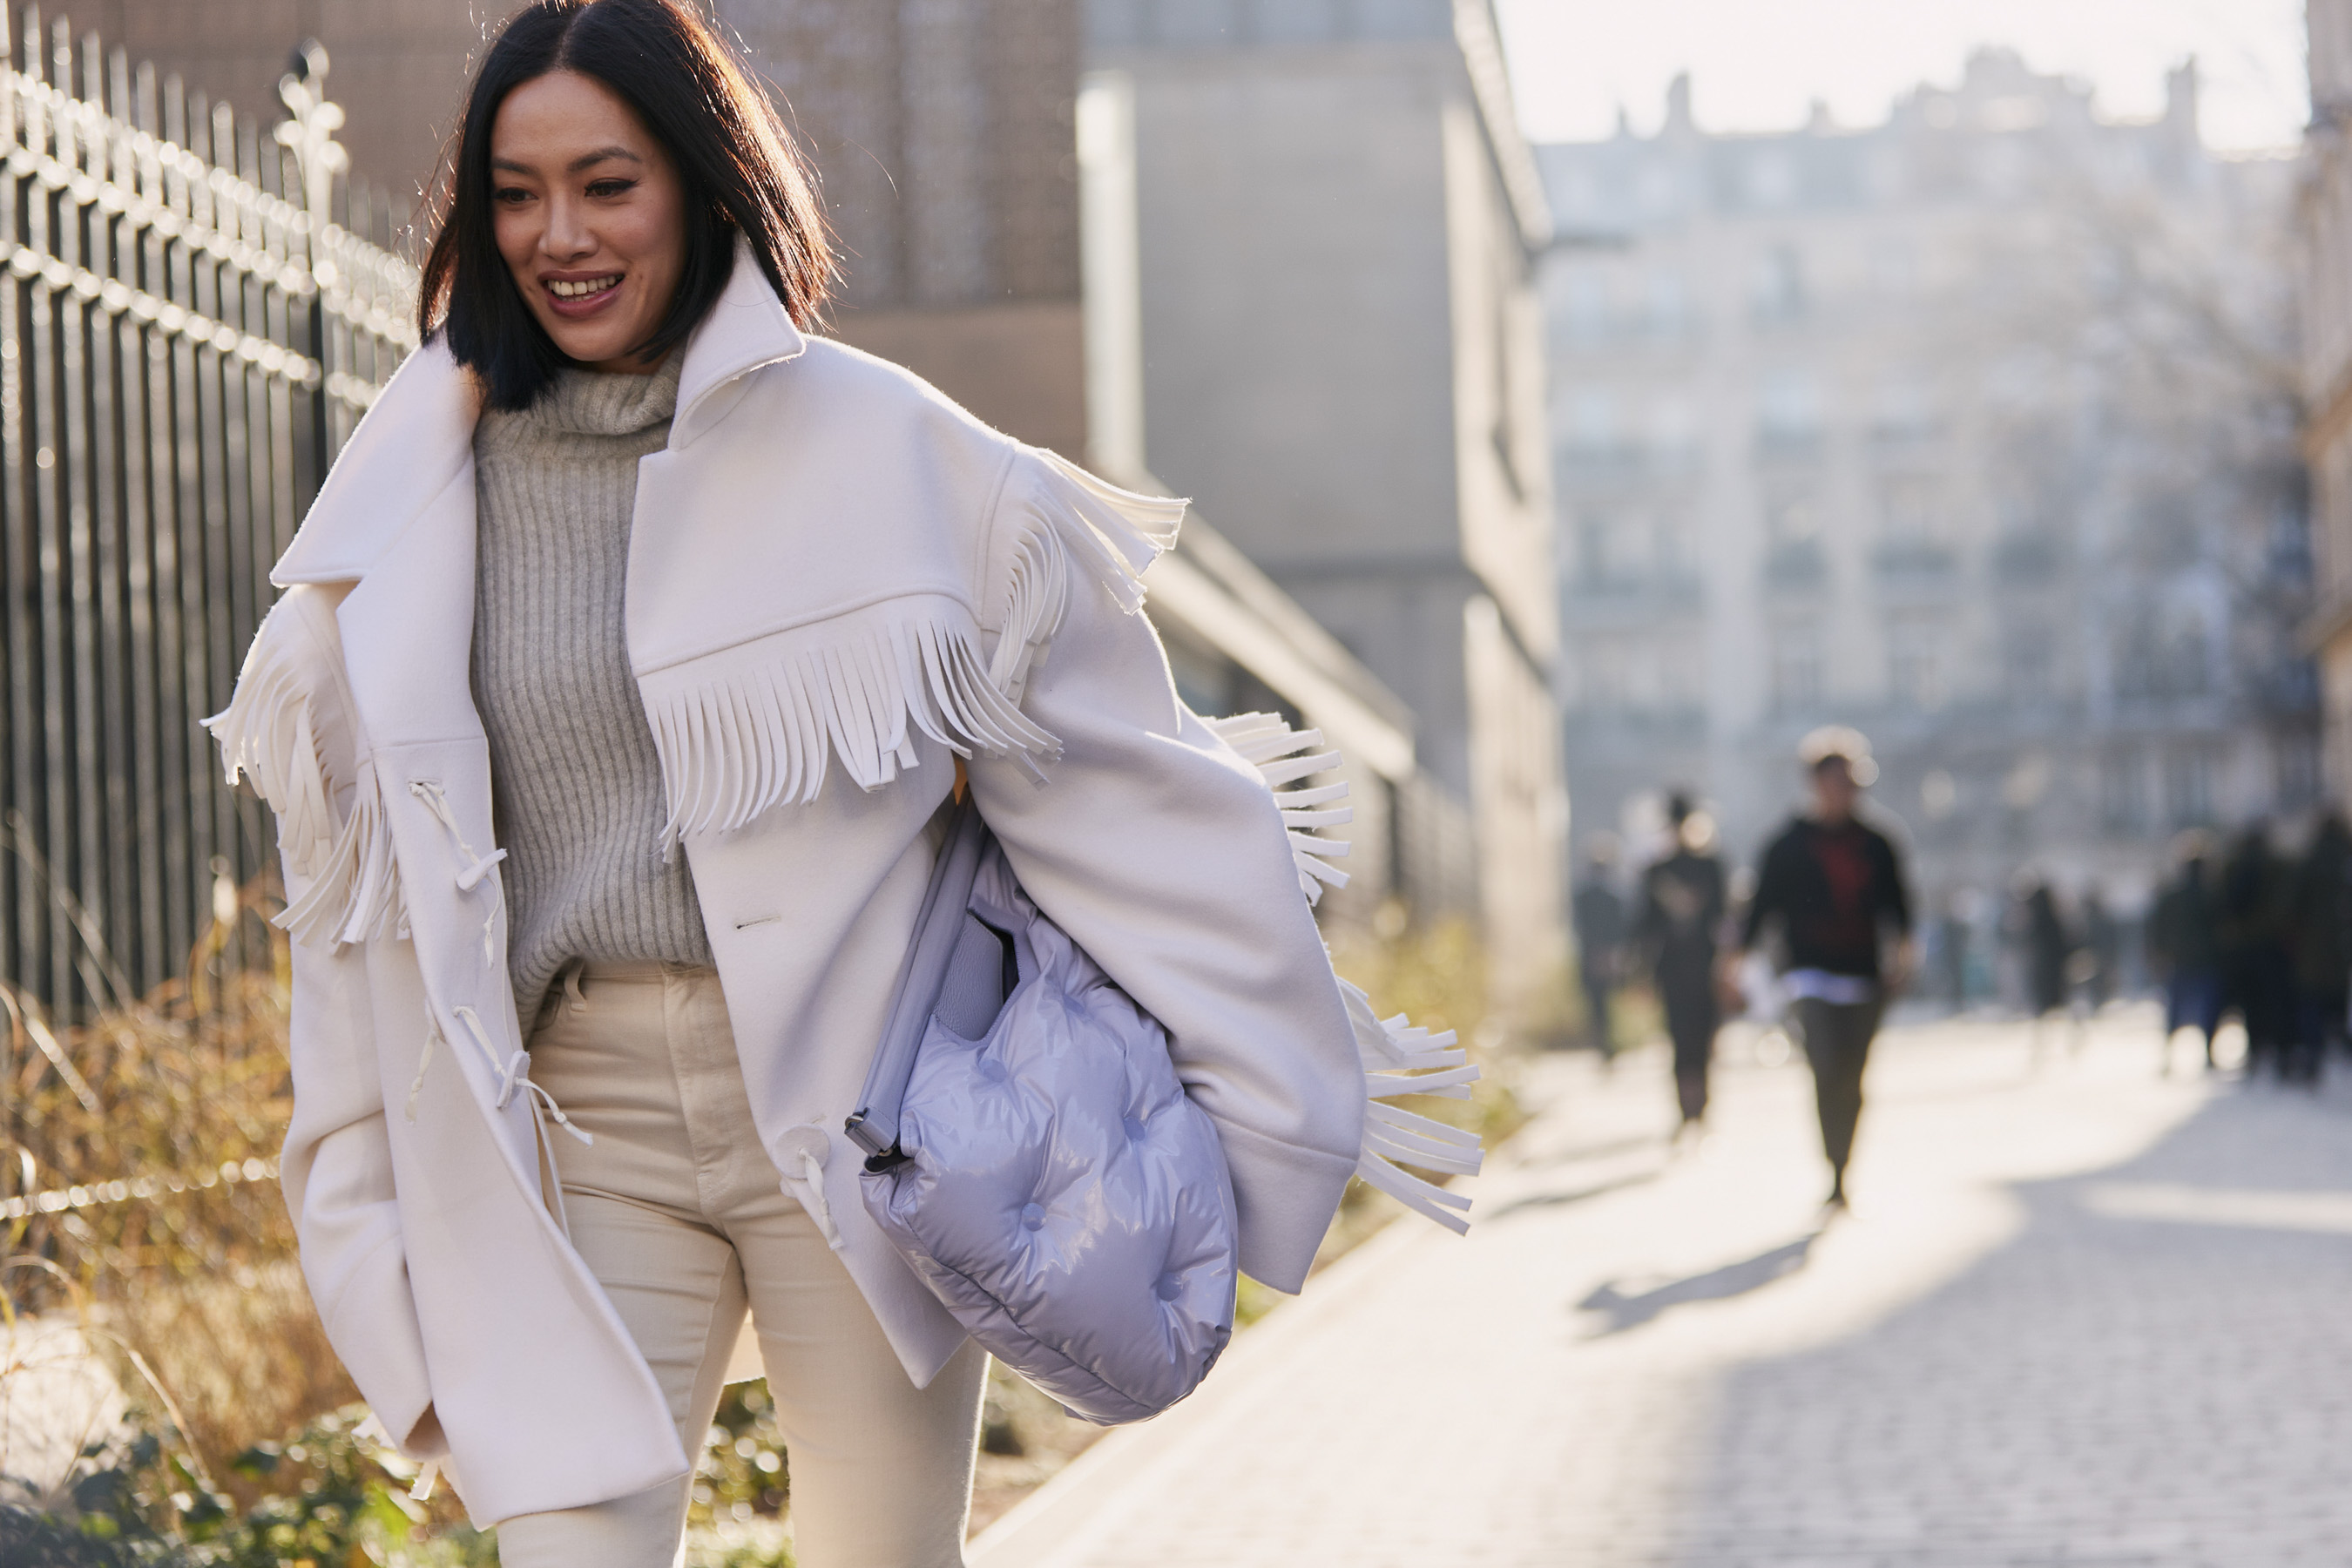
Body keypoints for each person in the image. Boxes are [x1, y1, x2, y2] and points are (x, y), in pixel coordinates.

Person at [203, 3, 1384, 1560]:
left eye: (608, 183)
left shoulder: (889, 451)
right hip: (580, 1119)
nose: (560, 234)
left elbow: (1119, 788)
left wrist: (1267, 1099)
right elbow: (357, 921)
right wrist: (353, 1205)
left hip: (871, 1113)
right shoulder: (414, 502)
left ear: (703, 184)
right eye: (515, 190)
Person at [1720, 728, 1912, 1208]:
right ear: (1813, 784)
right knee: (1825, 1068)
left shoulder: (1878, 843)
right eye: (1831, 782)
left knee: (1853, 1076)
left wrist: (1902, 961)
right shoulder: (1787, 844)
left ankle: (1846, 1164)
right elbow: (1759, 908)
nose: (1839, 792)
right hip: (1809, 975)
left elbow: (1901, 910)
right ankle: (1834, 1172)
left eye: (1848, 783)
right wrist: (1733, 962)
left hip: (1863, 976)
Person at [1636, 793, 1728, 1135]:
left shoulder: (1711, 866)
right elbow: (1644, 925)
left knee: (1704, 1040)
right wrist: (1640, 972)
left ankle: (1702, 1108)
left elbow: (1725, 918)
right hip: (1672, 971)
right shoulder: (1656, 871)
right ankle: (1684, 1112)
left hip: (1708, 968)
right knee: (1678, 1040)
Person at [2219, 822, 2294, 1081]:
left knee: (2251, 1003)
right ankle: (2281, 1053)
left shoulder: (2233, 866)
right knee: (2277, 1000)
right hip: (2272, 944)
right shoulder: (2278, 865)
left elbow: (2224, 905)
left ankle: (2255, 1051)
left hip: (2244, 945)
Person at [2147, 831, 2224, 1073]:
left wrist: (2158, 954)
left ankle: (2170, 1056)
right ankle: (2208, 1054)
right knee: (2207, 1011)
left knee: (2175, 1011)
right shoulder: (2211, 895)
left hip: (2180, 959)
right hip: (2205, 960)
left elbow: (2158, 927)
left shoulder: (2173, 895)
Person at [2287, 811, 2352, 1085]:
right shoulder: (2345, 857)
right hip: (2342, 946)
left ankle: (2313, 1058)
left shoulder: (2310, 862)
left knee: (2313, 1003)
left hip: (2315, 948)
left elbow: (2294, 907)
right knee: (2340, 1004)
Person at [1573, 834, 1628, 1061]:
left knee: (1598, 1003)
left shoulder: (1584, 896)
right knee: (1605, 1002)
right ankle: (1605, 1042)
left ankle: (1604, 1042)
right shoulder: (1610, 897)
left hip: (1593, 954)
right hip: (1604, 954)